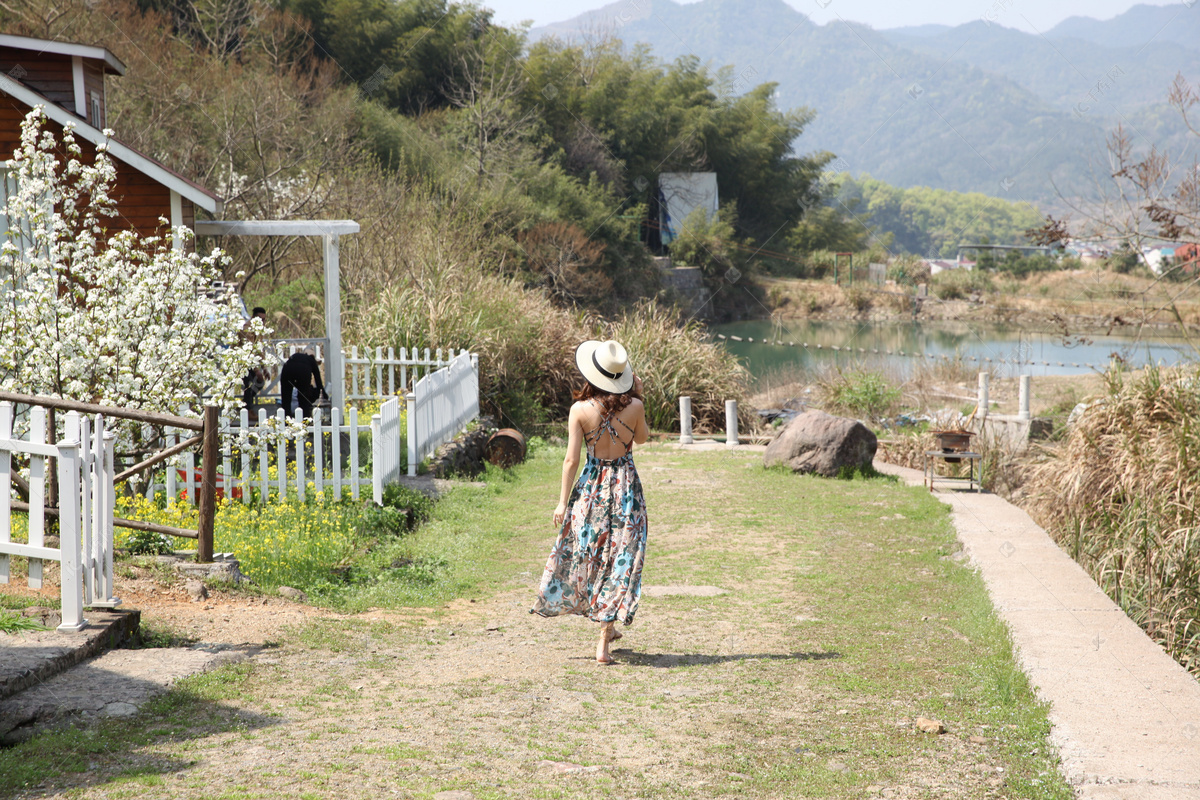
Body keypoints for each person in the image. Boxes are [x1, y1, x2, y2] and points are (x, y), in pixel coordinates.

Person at [530, 339, 650, 664]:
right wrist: (637, 393)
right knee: (622, 557)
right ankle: (605, 637)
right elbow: (641, 438)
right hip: (625, 488)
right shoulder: (635, 407)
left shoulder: (579, 410)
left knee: (594, 555)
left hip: (591, 490)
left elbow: (570, 462)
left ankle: (603, 629)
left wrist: (561, 503)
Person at [279, 349, 325, 417]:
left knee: (286, 399)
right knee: (303, 399)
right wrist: (325, 396)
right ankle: (304, 419)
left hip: (287, 369)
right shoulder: (311, 360)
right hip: (303, 371)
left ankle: (285, 420)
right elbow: (318, 382)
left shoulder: (296, 356)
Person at [241, 307, 268, 410]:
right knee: (249, 384)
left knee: (259, 383)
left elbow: (259, 350)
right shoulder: (247, 329)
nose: (262, 322)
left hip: (252, 361)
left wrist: (264, 368)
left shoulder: (259, 330)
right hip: (244, 361)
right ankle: (247, 408)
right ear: (253, 318)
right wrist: (257, 371)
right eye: (260, 319)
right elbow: (250, 350)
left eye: (264, 319)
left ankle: (246, 404)